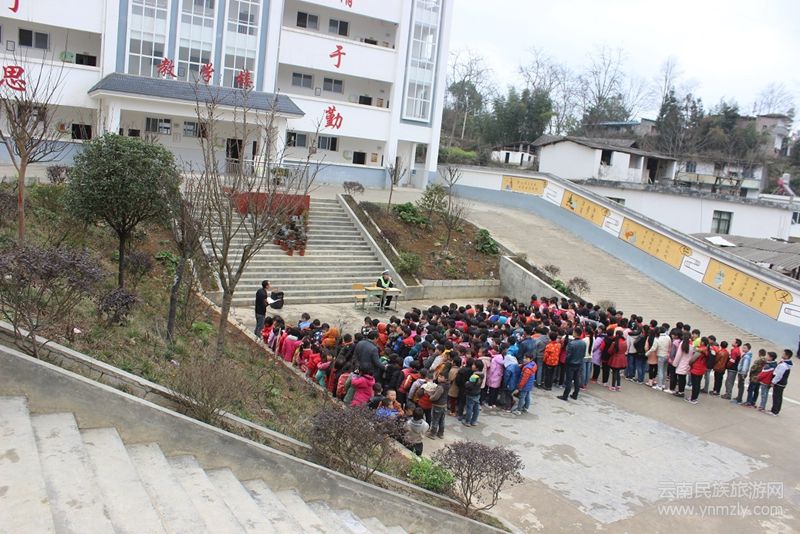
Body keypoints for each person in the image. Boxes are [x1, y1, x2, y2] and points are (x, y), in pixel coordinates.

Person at [559, 327, 586, 401]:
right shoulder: (583, 343)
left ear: (575, 333)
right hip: (579, 363)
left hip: (571, 364)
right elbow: (583, 354)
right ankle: (575, 394)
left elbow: (569, 355)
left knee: (569, 380)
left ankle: (565, 396)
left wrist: (566, 362)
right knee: (576, 380)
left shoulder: (572, 344)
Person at [769, 349, 794, 416]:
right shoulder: (785, 363)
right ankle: (775, 410)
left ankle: (774, 411)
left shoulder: (783, 365)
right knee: (778, 397)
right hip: (782, 382)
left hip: (779, 383)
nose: (782, 354)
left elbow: (779, 375)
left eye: (783, 354)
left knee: (776, 397)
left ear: (786, 356)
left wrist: (773, 382)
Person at [462, 360, 484, 427]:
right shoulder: (482, 374)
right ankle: (474, 421)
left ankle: (467, 421)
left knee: (469, 407)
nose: (472, 366)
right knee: (476, 408)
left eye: (473, 365)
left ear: (477, 367)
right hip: (477, 392)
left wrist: (466, 383)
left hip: (471, 393)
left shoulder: (474, 376)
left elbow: (469, 385)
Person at [427, 374, 449, 439]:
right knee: (442, 420)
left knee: (435, 420)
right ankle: (441, 433)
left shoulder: (440, 387)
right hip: (444, 405)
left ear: (445, 379)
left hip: (437, 405)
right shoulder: (447, 385)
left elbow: (435, 397)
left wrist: (430, 397)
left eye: (441, 377)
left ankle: (432, 434)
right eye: (439, 376)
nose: (439, 378)